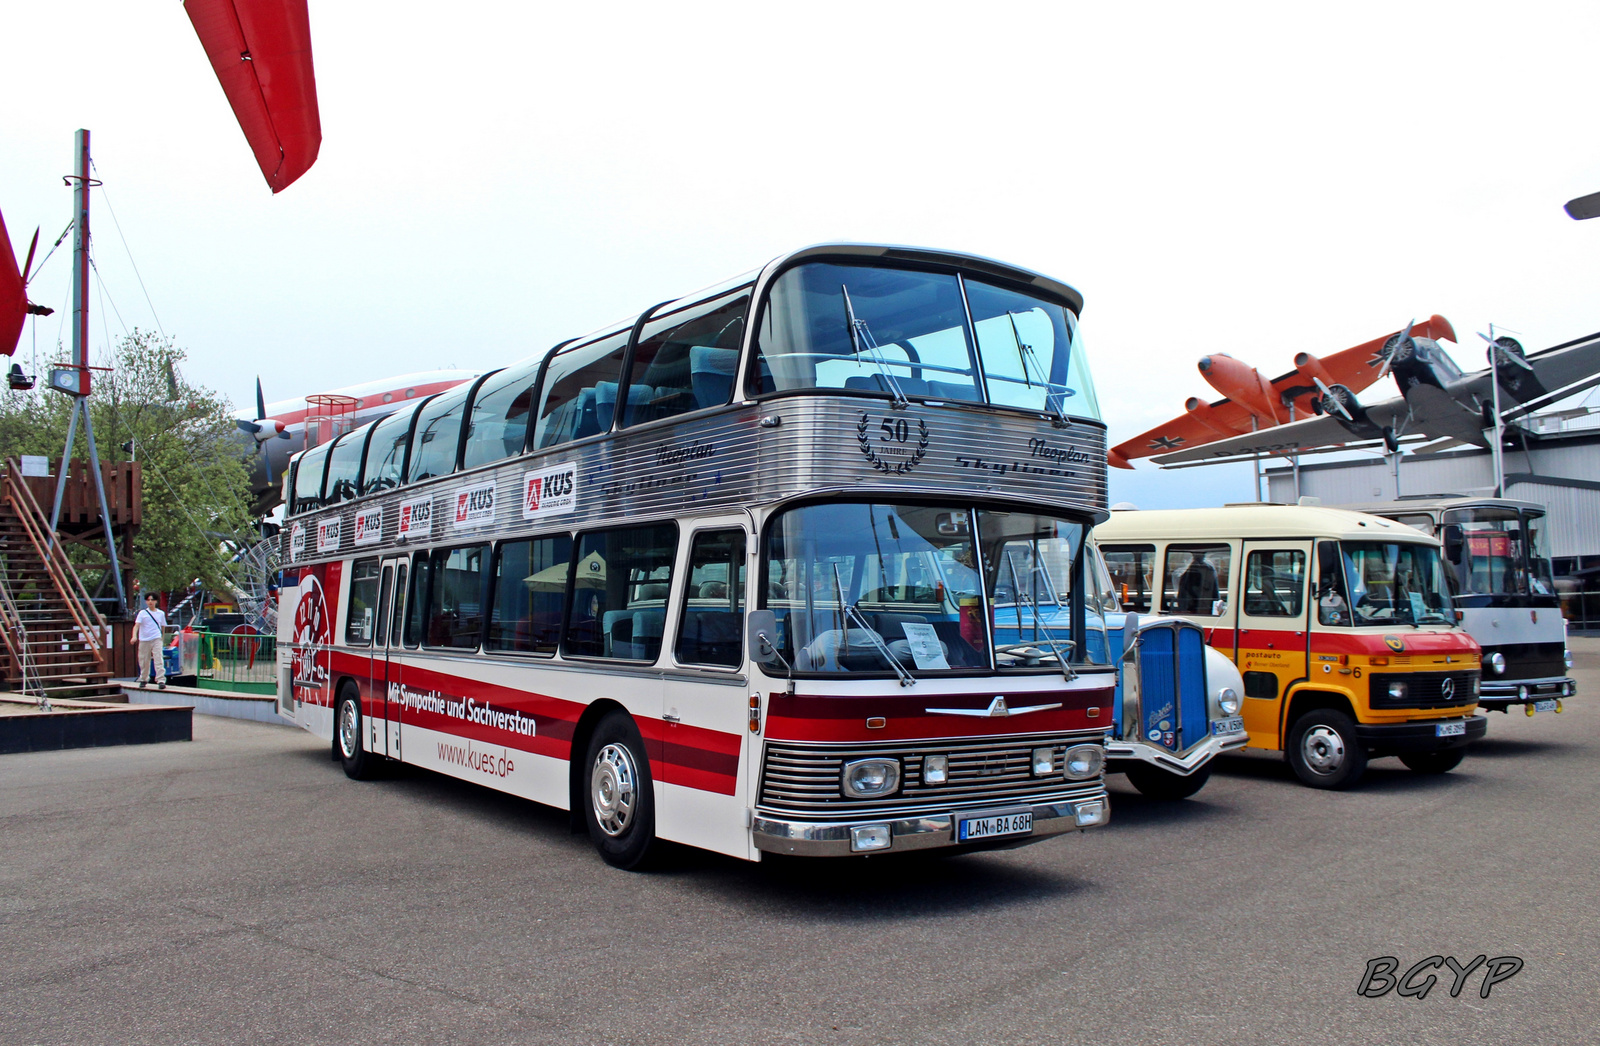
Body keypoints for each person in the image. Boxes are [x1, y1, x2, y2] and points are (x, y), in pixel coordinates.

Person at [134, 593, 168, 689]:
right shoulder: (142, 613)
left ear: (156, 601)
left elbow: (163, 627)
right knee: (144, 660)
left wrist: (162, 638)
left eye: (152, 600)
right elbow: (136, 626)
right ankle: (144, 678)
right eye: (148, 600)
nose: (150, 602)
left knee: (158, 659)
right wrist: (134, 636)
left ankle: (161, 680)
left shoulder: (161, 613)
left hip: (156, 638)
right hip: (144, 639)